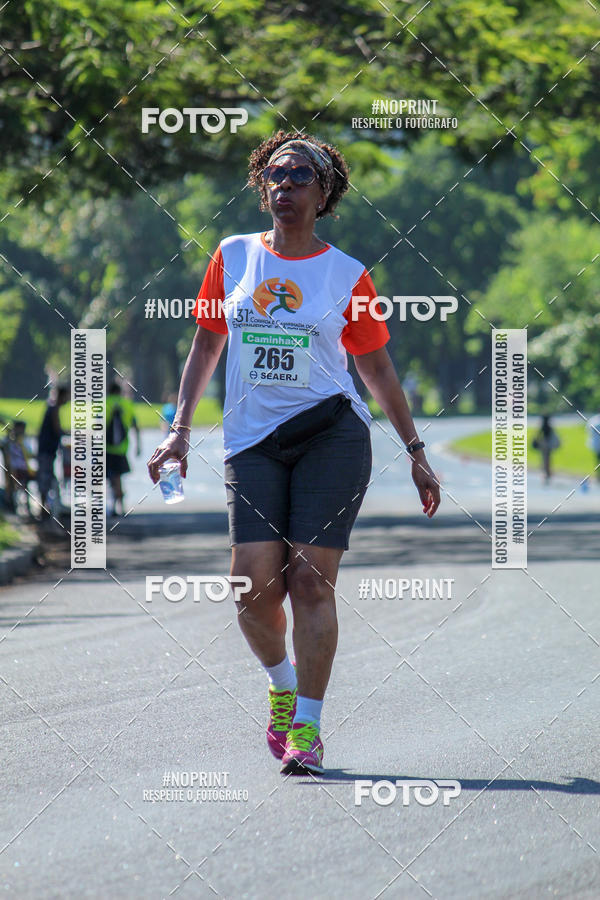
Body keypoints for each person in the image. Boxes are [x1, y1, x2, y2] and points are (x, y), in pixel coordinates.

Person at [147, 131, 440, 776]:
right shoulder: (233, 257)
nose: (284, 187)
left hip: (331, 435)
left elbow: (378, 370)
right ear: (262, 189)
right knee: (251, 585)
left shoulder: (346, 274)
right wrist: (180, 429)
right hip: (252, 440)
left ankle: (307, 726)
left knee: (309, 581)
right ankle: (281, 685)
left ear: (324, 192)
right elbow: (205, 345)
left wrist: (415, 449)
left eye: (299, 177)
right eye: (275, 177)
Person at [106, 381, 141, 517]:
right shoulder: (127, 404)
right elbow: (135, 426)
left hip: (106, 448)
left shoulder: (104, 404)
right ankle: (120, 505)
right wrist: (138, 445)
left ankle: (114, 505)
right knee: (117, 478)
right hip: (121, 448)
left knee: (111, 478)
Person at [37, 385, 69, 520]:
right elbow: (57, 430)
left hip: (48, 450)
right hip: (46, 451)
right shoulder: (54, 409)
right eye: (67, 396)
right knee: (46, 477)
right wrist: (70, 433)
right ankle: (43, 508)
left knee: (48, 477)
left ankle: (47, 506)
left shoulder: (51, 408)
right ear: (62, 396)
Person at [4, 420, 35, 515]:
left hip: (25, 469)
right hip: (15, 470)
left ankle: (27, 507)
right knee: (15, 486)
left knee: (26, 487)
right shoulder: (9, 441)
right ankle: (13, 505)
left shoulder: (24, 441)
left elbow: (30, 454)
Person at [532, 414, 560, 482]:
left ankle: (546, 473)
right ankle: (548, 473)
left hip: (544, 445)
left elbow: (538, 436)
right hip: (548, 445)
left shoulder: (543, 427)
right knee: (548, 460)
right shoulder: (549, 427)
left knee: (544, 460)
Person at [586, 408, 600, 482]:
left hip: (596, 444)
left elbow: (588, 431)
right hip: (597, 444)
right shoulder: (594, 421)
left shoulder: (593, 420)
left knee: (597, 461)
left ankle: (598, 476)